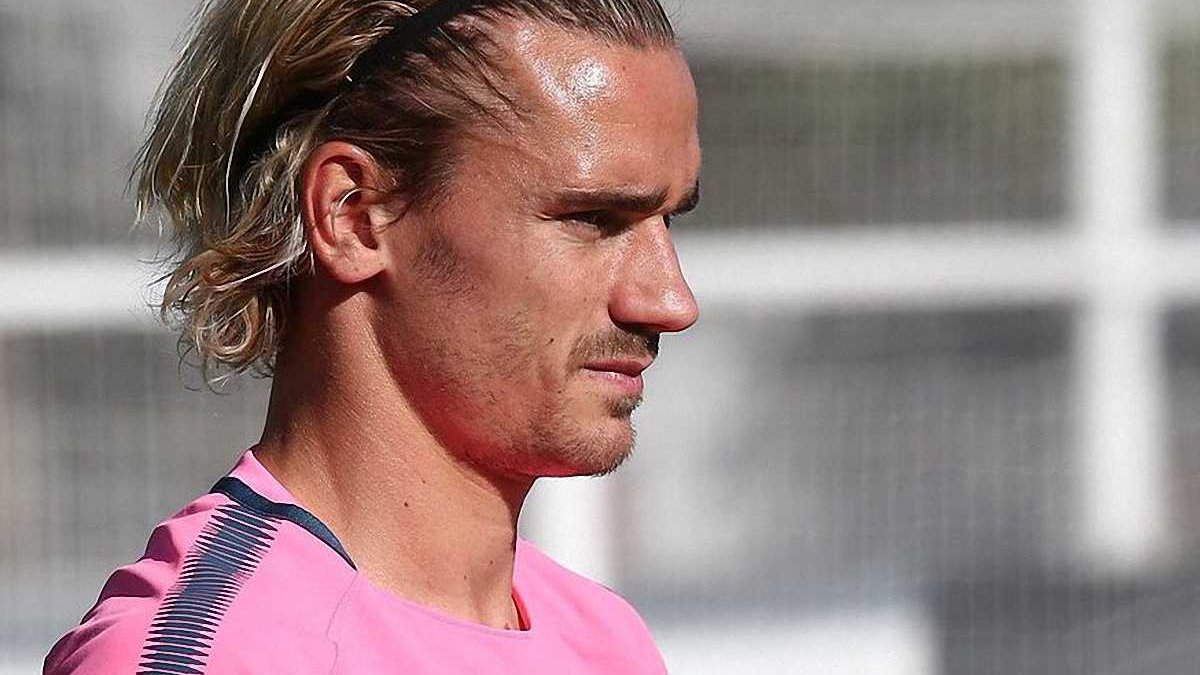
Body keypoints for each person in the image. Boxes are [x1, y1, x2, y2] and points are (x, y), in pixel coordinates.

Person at [43, 0, 700, 672]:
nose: (671, 301)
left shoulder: (607, 641)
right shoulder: (199, 654)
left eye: (669, 220)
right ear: (354, 216)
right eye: (593, 218)